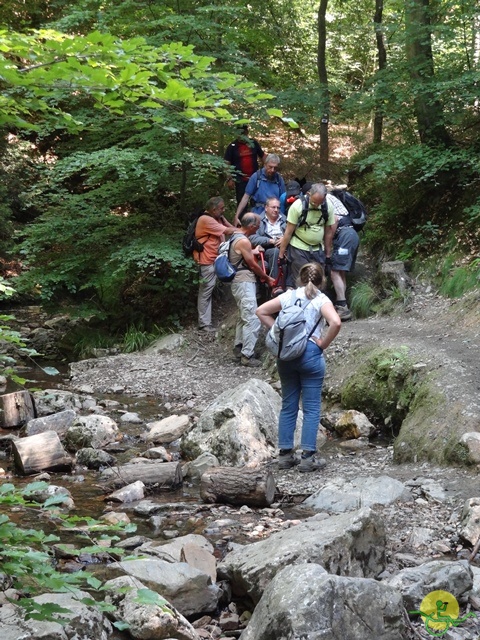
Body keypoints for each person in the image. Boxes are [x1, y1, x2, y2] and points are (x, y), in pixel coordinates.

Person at [256, 262, 341, 472]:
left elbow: (261, 311)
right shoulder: (321, 299)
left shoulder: (288, 297)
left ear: (300, 279)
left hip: (286, 356)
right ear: (322, 281)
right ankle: (308, 457)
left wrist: (278, 333)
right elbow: (336, 323)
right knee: (311, 408)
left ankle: (285, 455)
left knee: (288, 405)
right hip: (310, 354)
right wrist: (322, 343)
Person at [229, 212, 275, 367]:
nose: (259, 227)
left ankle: (238, 348)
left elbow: (241, 255)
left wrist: (253, 251)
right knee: (253, 318)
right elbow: (253, 265)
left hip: (238, 282)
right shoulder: (243, 241)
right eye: (257, 224)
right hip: (244, 282)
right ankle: (247, 355)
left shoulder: (236, 236)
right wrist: (267, 278)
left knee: (243, 317)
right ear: (251, 226)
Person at [278, 182, 336, 288]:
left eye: (319, 202)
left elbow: (328, 232)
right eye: (314, 202)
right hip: (298, 248)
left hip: (318, 249)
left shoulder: (328, 206)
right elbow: (288, 232)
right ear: (308, 194)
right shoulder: (297, 206)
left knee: (318, 281)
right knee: (301, 281)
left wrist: (328, 255)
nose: (316, 205)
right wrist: (281, 255)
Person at [193, 196, 237, 332]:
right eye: (221, 208)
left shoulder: (218, 218)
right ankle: (204, 324)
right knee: (206, 289)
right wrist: (245, 231)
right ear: (213, 209)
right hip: (206, 260)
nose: (224, 210)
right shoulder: (205, 219)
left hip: (217, 258)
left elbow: (231, 227)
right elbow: (228, 231)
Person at [324, 189, 360, 321]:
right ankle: (342, 305)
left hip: (345, 237)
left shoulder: (326, 200)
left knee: (334, 272)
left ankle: (342, 307)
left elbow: (333, 223)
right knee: (340, 272)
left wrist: (327, 251)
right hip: (351, 235)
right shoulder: (332, 199)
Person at [234, 154, 286, 225]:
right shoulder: (256, 177)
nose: (272, 170)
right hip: (258, 213)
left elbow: (283, 199)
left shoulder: (279, 179)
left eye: (275, 168)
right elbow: (245, 197)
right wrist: (237, 216)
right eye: (270, 167)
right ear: (265, 165)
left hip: (274, 214)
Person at [224, 125, 265, 213]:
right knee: (242, 203)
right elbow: (227, 163)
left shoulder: (253, 143)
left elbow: (263, 156)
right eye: (240, 133)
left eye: (244, 132)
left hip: (255, 178)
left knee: (258, 200)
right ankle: (241, 222)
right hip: (240, 180)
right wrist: (229, 178)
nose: (242, 135)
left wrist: (268, 167)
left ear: (247, 132)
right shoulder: (232, 146)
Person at [250, 196, 286, 287]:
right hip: (268, 249)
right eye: (273, 207)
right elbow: (252, 237)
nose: (276, 210)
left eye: (278, 207)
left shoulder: (285, 219)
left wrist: (285, 239)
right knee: (275, 252)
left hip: (286, 248)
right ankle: (276, 285)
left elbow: (294, 233)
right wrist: (270, 241)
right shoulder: (258, 220)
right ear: (266, 208)